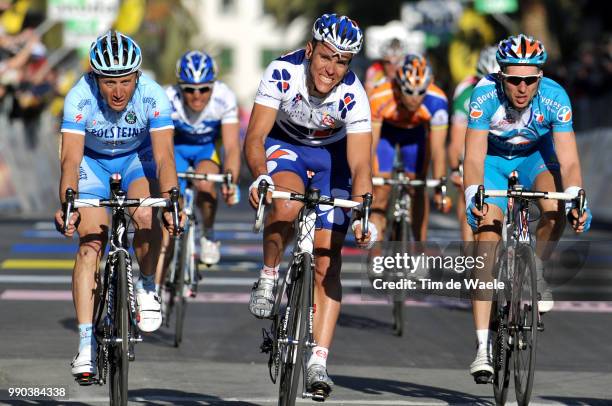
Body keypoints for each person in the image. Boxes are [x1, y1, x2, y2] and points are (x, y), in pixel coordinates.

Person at [244, 13, 375, 398]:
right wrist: (260, 175)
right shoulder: (283, 72)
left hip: (331, 158)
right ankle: (268, 275)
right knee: (284, 205)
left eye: (342, 61)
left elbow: (361, 163)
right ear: (310, 50)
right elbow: (255, 136)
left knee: (327, 261)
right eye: (326, 57)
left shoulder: (354, 95)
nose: (331, 69)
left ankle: (318, 360)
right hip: (286, 146)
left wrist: (364, 210)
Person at [53, 31, 182, 381]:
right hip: (91, 165)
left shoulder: (153, 96)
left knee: (144, 211)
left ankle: (147, 287)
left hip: (134, 161)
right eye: (110, 82)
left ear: (137, 77)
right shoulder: (79, 97)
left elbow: (164, 156)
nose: (119, 91)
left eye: (126, 81)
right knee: (90, 244)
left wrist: (172, 200)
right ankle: (85, 347)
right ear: (96, 78)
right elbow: (70, 159)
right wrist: (68, 204)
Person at [463, 34, 592, 381]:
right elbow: (473, 158)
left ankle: (536, 267)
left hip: (535, 158)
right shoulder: (483, 94)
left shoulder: (555, 97)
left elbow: (569, 162)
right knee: (487, 241)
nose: (522, 88)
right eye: (514, 79)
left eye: (530, 80)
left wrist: (578, 199)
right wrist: (473, 193)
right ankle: (481, 347)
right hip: (492, 161)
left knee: (554, 207)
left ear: (540, 77)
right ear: (501, 75)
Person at [156, 50, 240, 279]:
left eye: (204, 89)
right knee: (171, 215)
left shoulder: (224, 97)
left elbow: (232, 146)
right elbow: (158, 146)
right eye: (189, 89)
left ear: (213, 86)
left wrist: (230, 179)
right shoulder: (166, 98)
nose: (196, 96)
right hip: (176, 151)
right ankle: (157, 289)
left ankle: (208, 233)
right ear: (179, 87)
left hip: (206, 151)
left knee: (205, 183)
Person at [369, 53, 450, 244]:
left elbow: (438, 149)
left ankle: (419, 248)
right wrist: (365, 180)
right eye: (408, 92)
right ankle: (377, 252)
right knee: (380, 189)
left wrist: (440, 187)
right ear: (398, 85)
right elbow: (370, 145)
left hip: (415, 135)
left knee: (418, 186)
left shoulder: (437, 100)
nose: (414, 99)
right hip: (386, 134)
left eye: (420, 92)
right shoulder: (380, 96)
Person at [448, 45, 500, 242]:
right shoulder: (467, 92)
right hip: (473, 142)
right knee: (466, 187)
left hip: (500, 145)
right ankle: (470, 251)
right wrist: (456, 169)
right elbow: (457, 139)